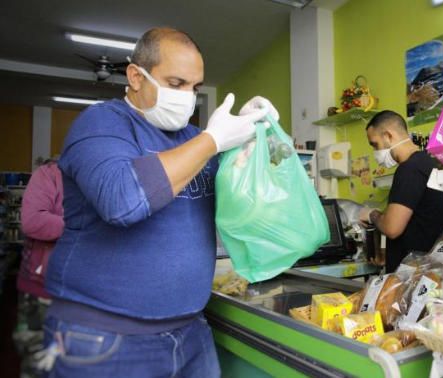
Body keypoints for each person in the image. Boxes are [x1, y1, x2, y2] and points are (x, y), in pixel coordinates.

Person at [41, 27, 276, 377]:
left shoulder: (194, 139)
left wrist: (250, 146)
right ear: (136, 76)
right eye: (176, 83)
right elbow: (122, 201)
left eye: (195, 87)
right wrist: (214, 140)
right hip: (104, 338)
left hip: (190, 331)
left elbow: (241, 209)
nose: (187, 96)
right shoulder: (101, 123)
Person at [359, 110, 443, 272]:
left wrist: (371, 214)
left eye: (375, 144)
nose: (375, 152)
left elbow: (392, 228)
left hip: (413, 272)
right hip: (427, 266)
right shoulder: (427, 163)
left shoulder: (409, 169)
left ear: (388, 136)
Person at [13, 158, 63, 377]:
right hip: (40, 290)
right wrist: (82, 224)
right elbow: (32, 221)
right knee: (36, 362)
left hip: (81, 294)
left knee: (69, 360)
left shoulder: (101, 177)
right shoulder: (49, 174)